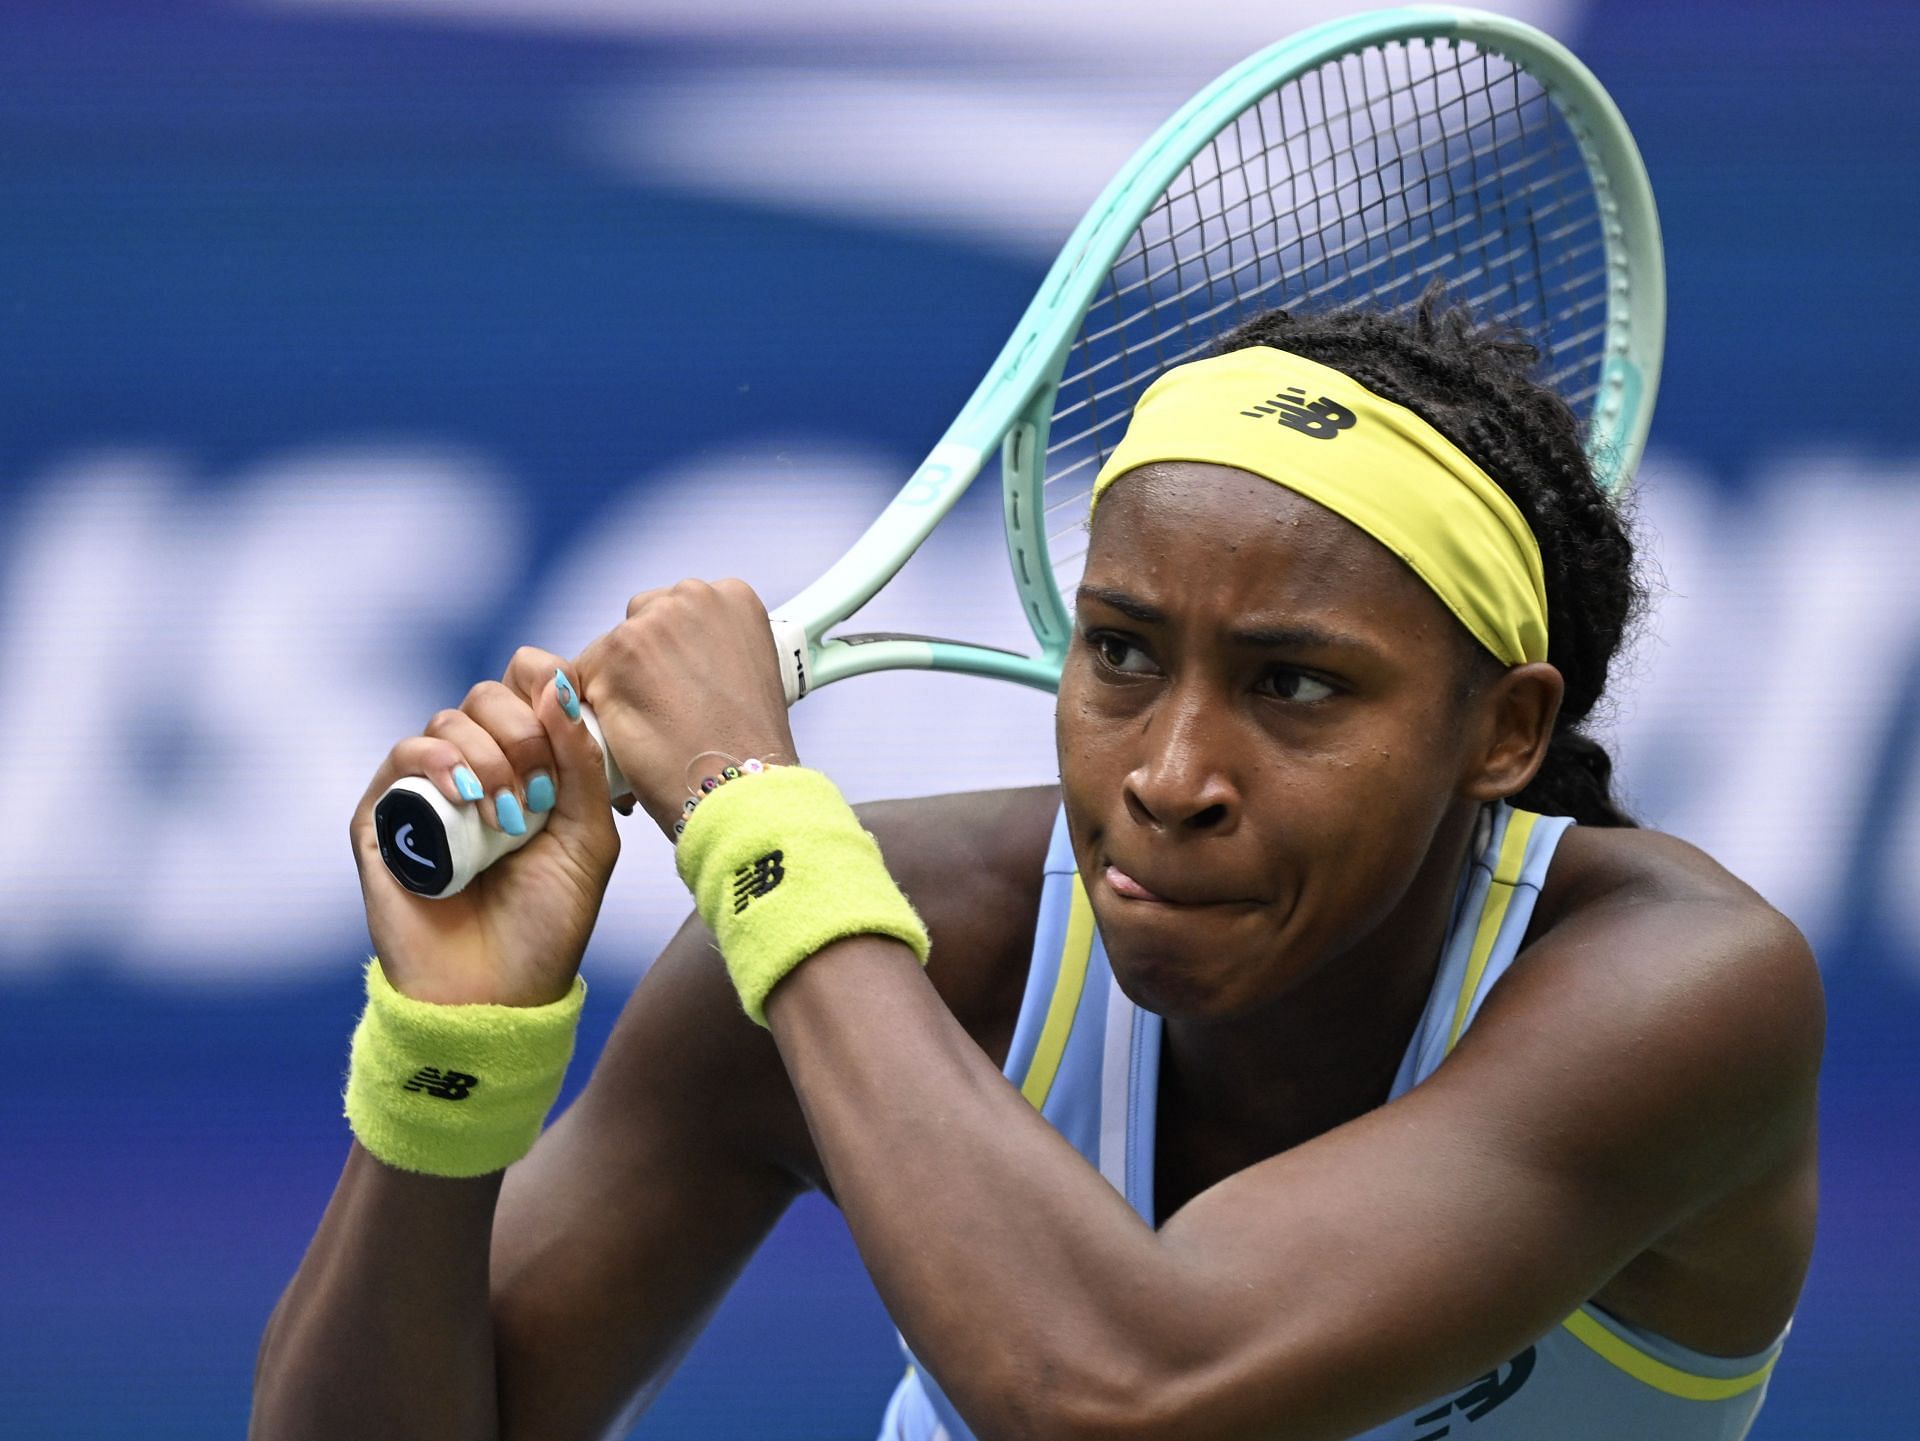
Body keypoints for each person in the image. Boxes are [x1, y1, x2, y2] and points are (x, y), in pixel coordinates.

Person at [251, 295, 1822, 1441]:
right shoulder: (917, 931)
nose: (1170, 773)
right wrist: (445, 1065)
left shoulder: (1685, 997)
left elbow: (1119, 1393)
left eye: (1294, 684)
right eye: (1124, 653)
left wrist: (755, 820)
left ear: (1503, 728)